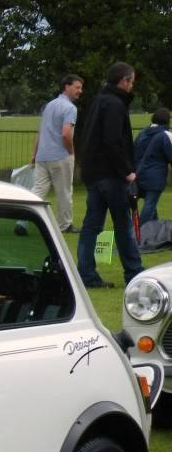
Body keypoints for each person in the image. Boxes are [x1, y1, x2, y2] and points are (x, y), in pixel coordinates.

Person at [76, 63, 144, 288]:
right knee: (123, 226)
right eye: (131, 81)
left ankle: (85, 274)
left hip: (94, 174)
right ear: (124, 81)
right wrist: (127, 172)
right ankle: (134, 272)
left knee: (91, 226)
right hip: (111, 175)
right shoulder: (115, 104)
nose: (132, 86)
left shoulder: (98, 101)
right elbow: (113, 140)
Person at [31, 74, 84, 232]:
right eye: (77, 87)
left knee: (38, 190)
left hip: (42, 155)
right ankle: (64, 225)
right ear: (66, 87)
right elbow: (66, 133)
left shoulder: (49, 105)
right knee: (64, 192)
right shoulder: (70, 108)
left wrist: (34, 154)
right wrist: (71, 151)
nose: (80, 91)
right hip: (60, 156)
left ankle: (22, 221)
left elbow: (41, 131)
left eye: (81, 88)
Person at [134, 107, 172, 224]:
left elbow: (134, 151)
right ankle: (140, 233)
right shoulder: (165, 134)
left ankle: (156, 230)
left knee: (150, 204)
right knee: (150, 204)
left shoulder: (142, 133)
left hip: (138, 173)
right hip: (155, 175)